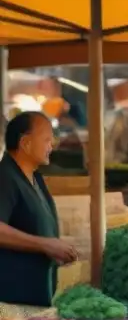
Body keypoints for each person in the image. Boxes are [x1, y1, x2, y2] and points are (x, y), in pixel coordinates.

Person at [0, 112, 78, 306]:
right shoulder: (5, 178)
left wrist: (55, 248)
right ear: (25, 143)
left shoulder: (36, 179)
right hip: (11, 300)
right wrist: (45, 244)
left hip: (35, 294)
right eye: (46, 140)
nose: (52, 146)